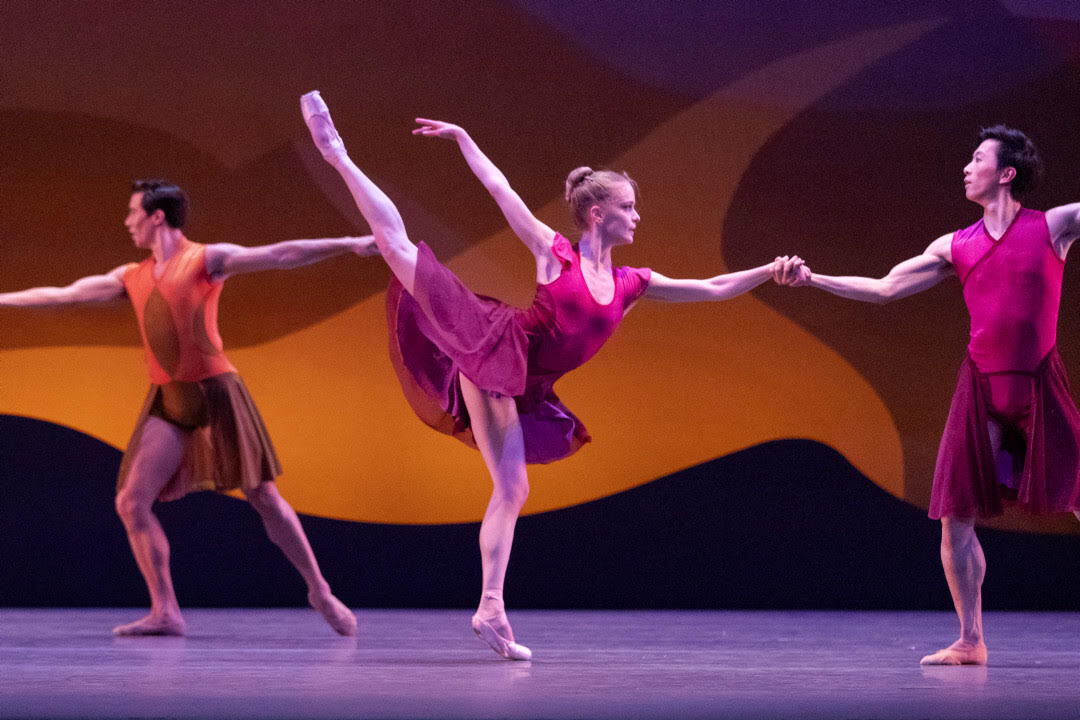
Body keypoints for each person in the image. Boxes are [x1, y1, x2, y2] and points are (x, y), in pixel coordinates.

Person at [300, 90, 785, 660]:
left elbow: (711, 288)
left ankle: (490, 609)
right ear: (598, 214)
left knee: (511, 490)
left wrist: (768, 271)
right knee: (398, 249)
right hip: (495, 350)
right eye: (630, 207)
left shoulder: (631, 284)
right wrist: (464, 139)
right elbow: (500, 192)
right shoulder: (556, 255)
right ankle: (335, 152)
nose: (638, 216)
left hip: (525, 385)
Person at [0, 180, 378, 636]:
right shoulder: (131, 276)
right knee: (131, 502)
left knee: (264, 497)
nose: (127, 222)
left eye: (132, 212)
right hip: (169, 398)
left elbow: (280, 253)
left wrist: (351, 243)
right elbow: (65, 295)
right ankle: (166, 612)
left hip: (216, 391)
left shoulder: (205, 260)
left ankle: (319, 590)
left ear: (157, 216)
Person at [773, 126, 1080, 665]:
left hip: (1037, 381)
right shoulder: (953, 245)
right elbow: (886, 287)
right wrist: (813, 279)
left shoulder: (1054, 226)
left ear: (1006, 174)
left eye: (977, 158)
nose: (966, 166)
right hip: (982, 387)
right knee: (956, 517)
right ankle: (970, 640)